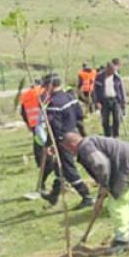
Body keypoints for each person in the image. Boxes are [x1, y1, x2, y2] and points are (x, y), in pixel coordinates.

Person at [63, 132, 129, 254]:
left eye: (67, 148)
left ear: (72, 144)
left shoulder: (85, 148)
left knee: (116, 205)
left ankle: (123, 241)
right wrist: (103, 189)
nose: (69, 152)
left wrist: (104, 185)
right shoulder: (90, 142)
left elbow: (101, 164)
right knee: (121, 203)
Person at [41, 75, 94, 210]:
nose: (45, 90)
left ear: (50, 86)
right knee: (60, 168)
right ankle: (54, 195)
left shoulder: (53, 104)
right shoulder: (70, 97)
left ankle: (86, 195)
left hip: (63, 140)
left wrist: (50, 144)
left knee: (68, 168)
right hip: (74, 135)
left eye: (45, 87)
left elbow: (54, 128)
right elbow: (79, 115)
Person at [19, 80, 53, 191]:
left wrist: (28, 124)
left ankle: (40, 162)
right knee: (47, 147)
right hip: (44, 124)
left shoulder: (25, 94)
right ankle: (47, 162)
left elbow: (23, 112)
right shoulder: (42, 92)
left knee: (39, 145)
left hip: (34, 125)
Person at [93, 62, 126, 138]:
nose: (113, 72)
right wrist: (97, 102)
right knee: (105, 120)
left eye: (114, 71)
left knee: (117, 119)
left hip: (115, 100)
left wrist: (123, 100)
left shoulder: (117, 77)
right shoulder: (99, 77)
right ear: (107, 69)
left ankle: (116, 135)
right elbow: (95, 91)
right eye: (111, 71)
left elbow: (121, 89)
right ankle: (107, 135)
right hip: (104, 101)